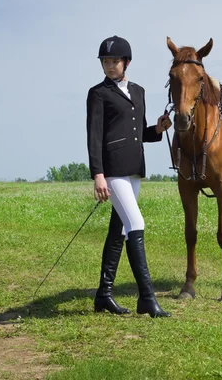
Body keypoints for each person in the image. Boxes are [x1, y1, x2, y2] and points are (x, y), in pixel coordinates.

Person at [86, 35, 172, 318]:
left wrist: (157, 130)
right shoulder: (97, 93)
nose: (109, 66)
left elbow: (137, 134)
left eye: (114, 61)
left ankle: (103, 295)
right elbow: (94, 136)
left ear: (127, 62)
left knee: (119, 230)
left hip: (134, 167)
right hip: (112, 170)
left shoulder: (139, 91)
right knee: (135, 223)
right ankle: (147, 298)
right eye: (105, 62)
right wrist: (98, 174)